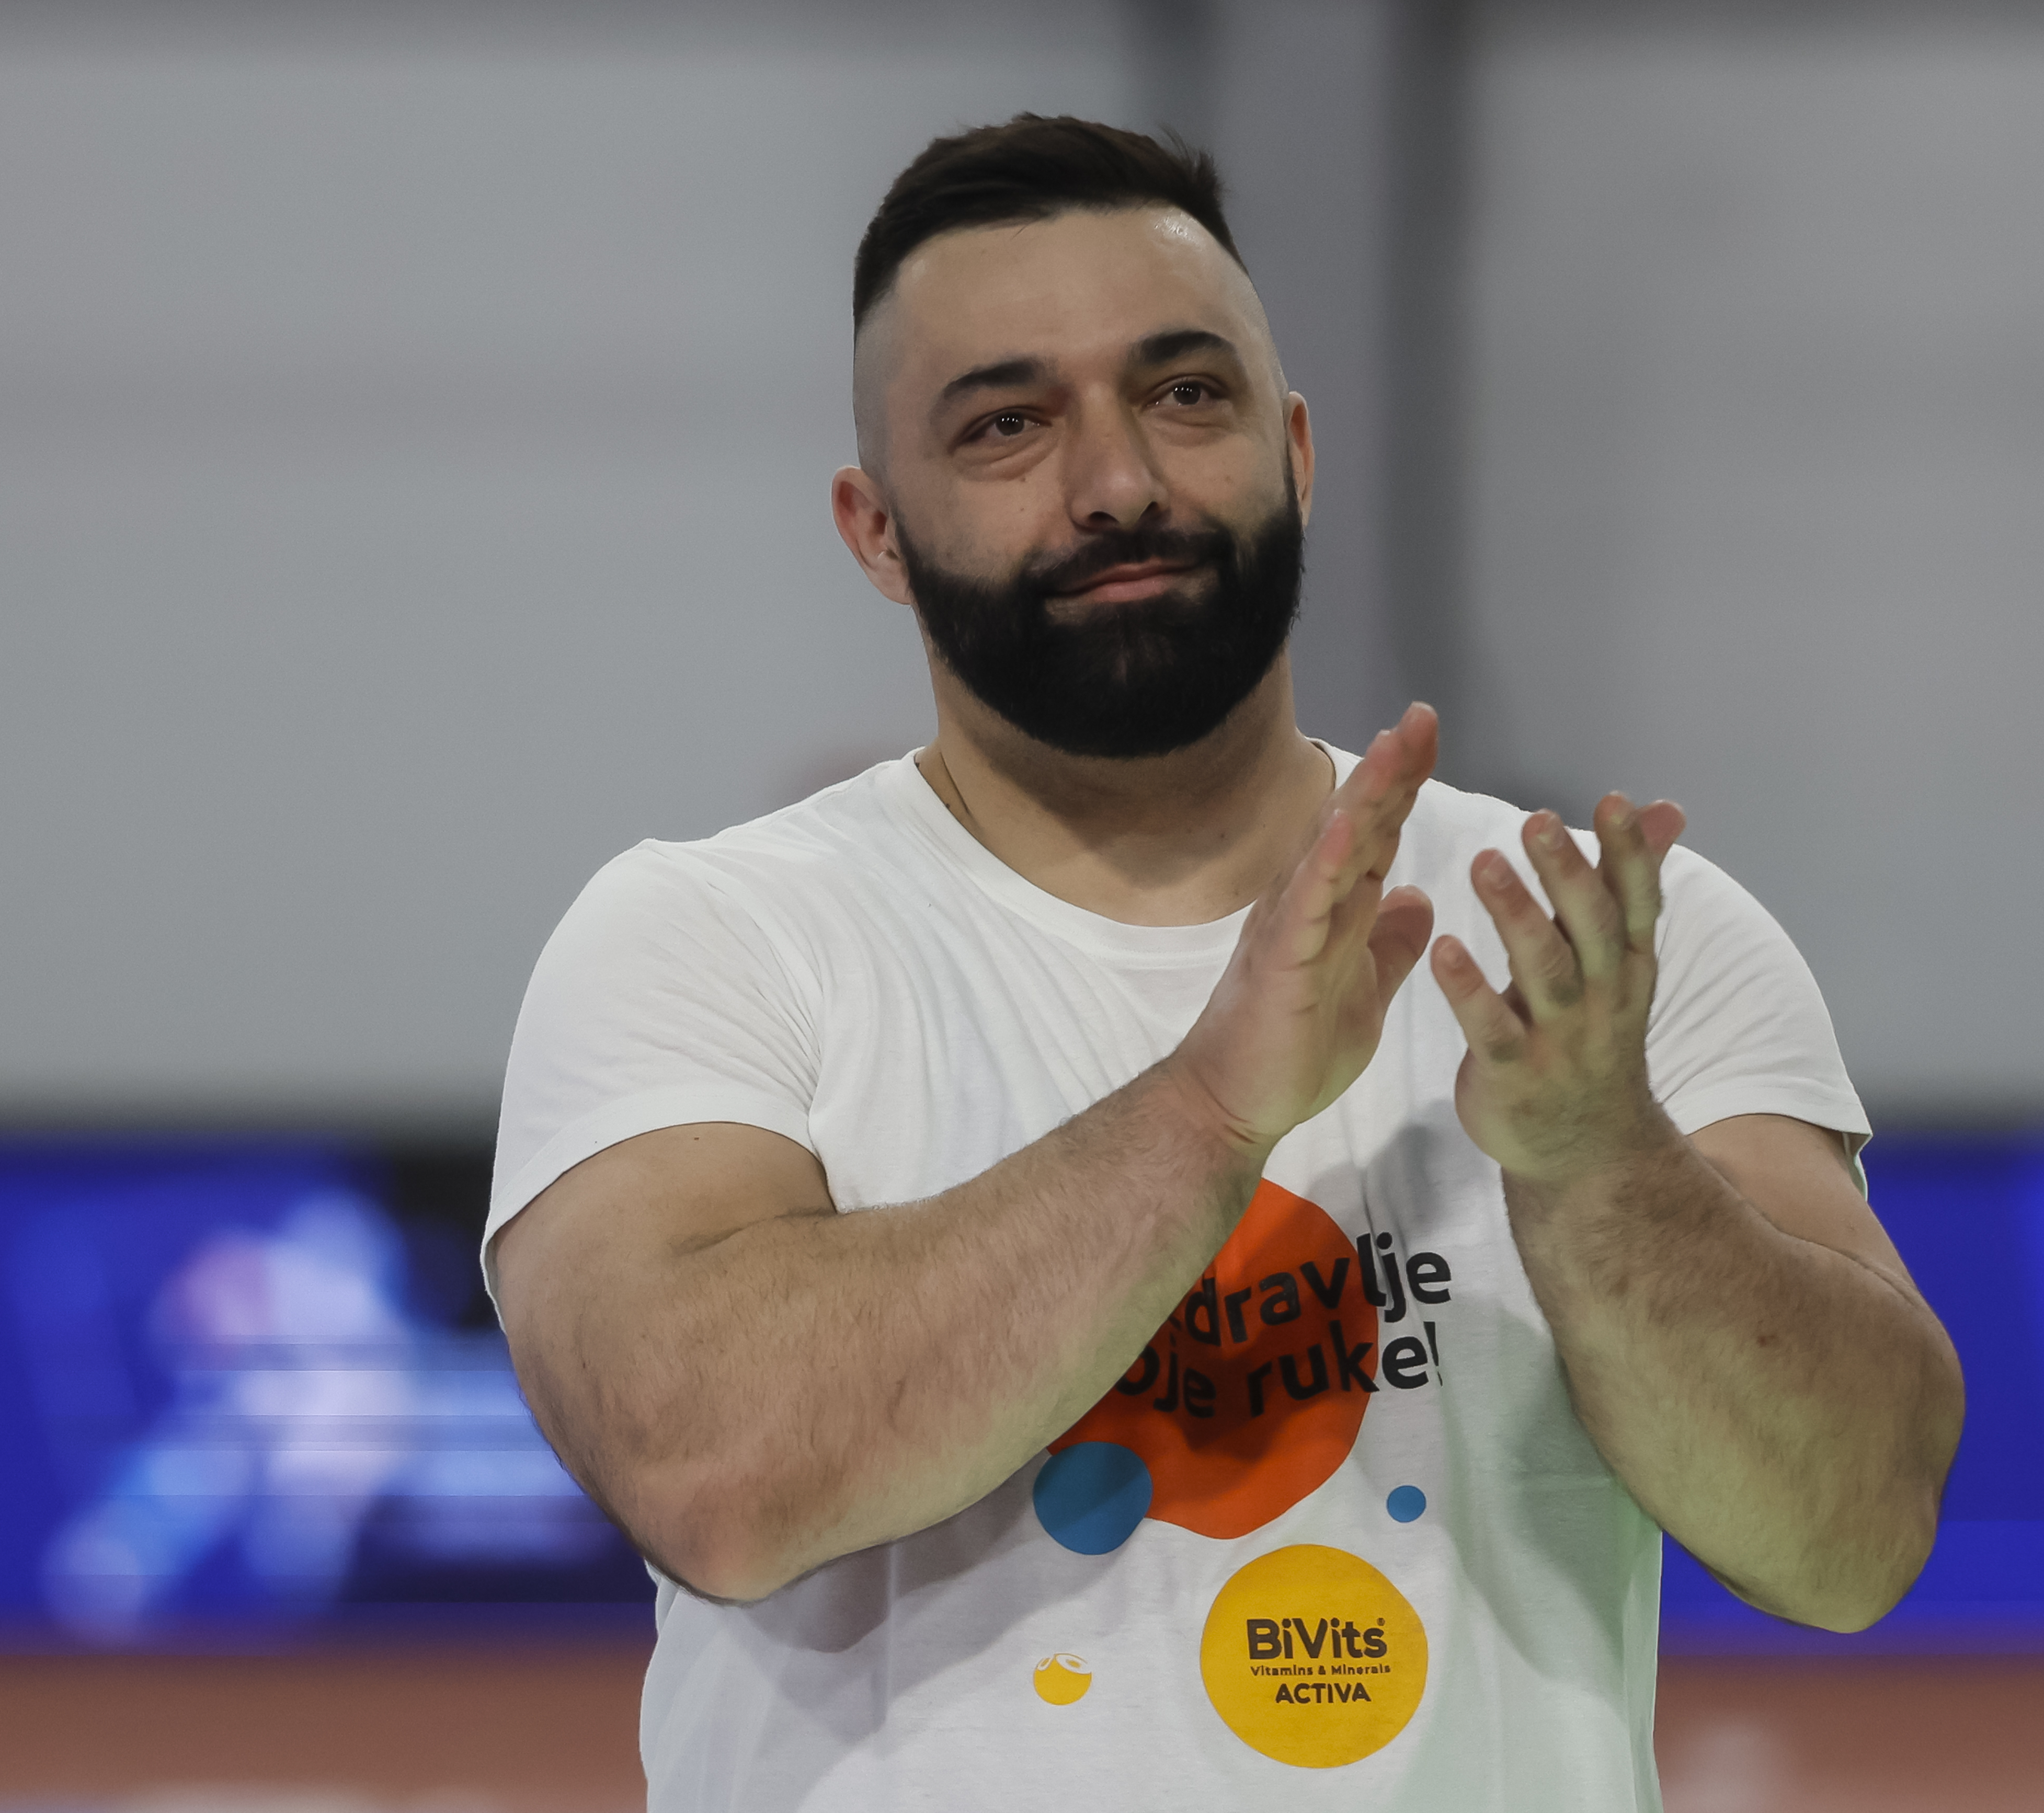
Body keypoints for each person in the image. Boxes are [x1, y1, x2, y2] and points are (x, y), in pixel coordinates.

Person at [489, 116, 1963, 1811]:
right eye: (1006, 423)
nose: (1116, 480)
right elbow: (711, 1468)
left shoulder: (1599, 940)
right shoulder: (710, 938)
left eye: (1184, 393)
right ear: (874, 528)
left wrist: (1598, 1162)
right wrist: (1205, 1111)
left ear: (1297, 448)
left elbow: (1852, 1533)